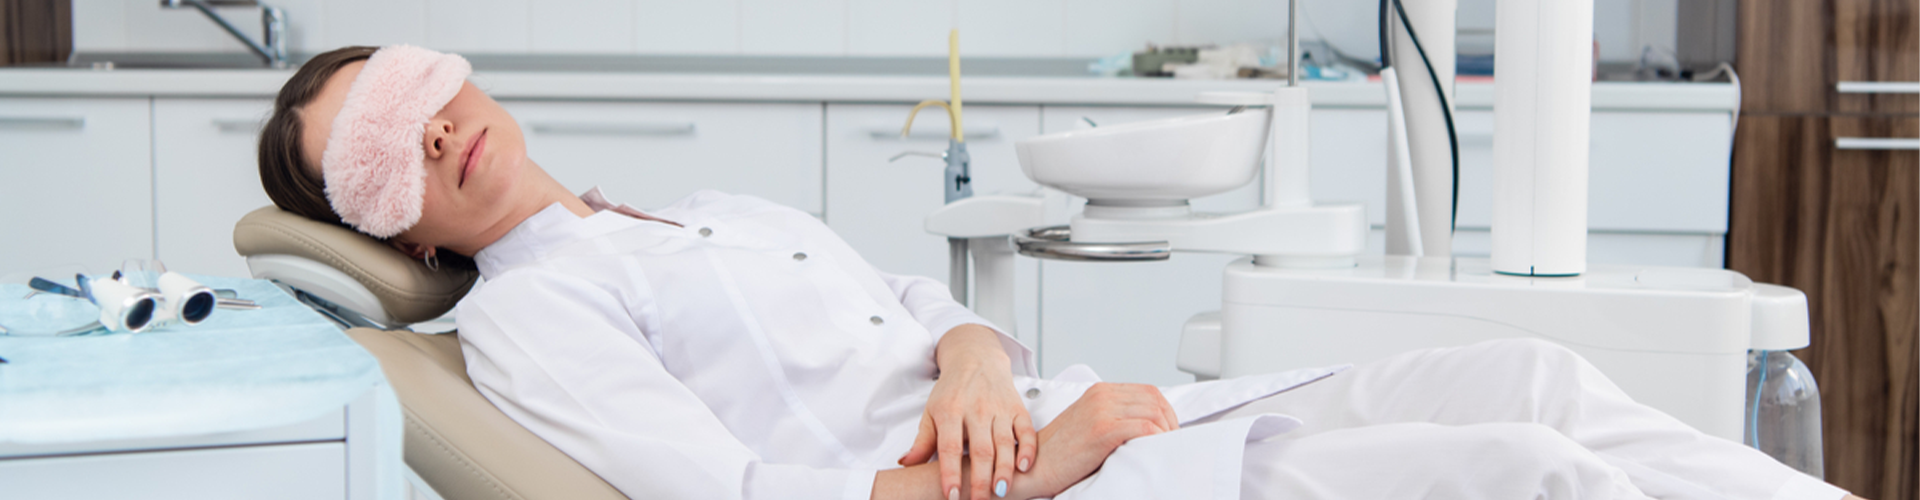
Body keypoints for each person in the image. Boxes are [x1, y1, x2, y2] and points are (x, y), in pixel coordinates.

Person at [258, 45, 1857, 500]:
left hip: (1077, 420)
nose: (429, 134)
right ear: (394, 227)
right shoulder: (537, 320)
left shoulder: (702, 210)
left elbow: (923, 307)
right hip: (1054, 485)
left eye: (409, 88)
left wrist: (970, 362)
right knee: (1525, 471)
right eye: (377, 155)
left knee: (1535, 379)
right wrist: (1037, 465)